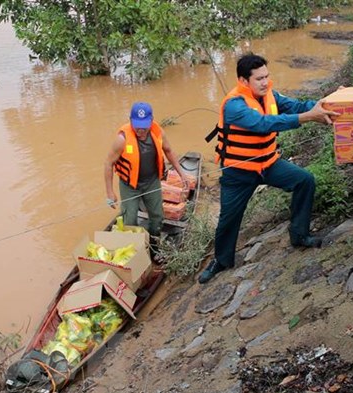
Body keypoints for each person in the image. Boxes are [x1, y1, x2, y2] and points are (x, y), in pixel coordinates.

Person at [199, 53, 338, 284]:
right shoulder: (234, 105)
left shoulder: (270, 94)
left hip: (269, 164)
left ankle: (299, 235)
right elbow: (263, 124)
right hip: (239, 171)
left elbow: (297, 105)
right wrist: (308, 117)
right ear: (243, 81)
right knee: (228, 218)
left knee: (304, 180)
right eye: (259, 79)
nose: (265, 82)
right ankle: (222, 261)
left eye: (267, 76)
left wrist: (328, 102)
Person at [104, 102, 189, 260]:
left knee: (157, 218)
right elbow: (108, 163)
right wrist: (110, 193)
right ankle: (134, 254)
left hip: (151, 182)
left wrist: (182, 174)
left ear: (151, 121)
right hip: (130, 186)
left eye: (144, 126)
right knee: (129, 220)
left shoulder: (158, 133)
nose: (141, 130)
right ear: (130, 120)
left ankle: (154, 248)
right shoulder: (122, 139)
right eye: (137, 126)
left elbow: (169, 151)